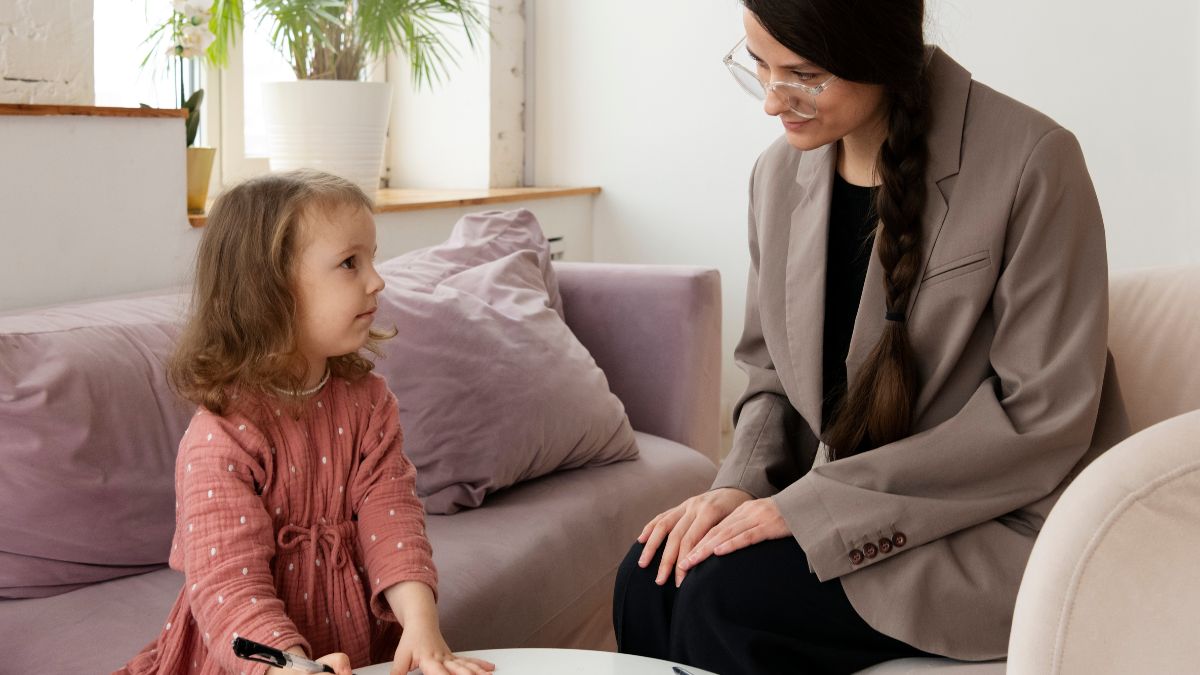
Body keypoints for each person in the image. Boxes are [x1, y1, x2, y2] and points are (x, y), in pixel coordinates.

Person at [613, 2, 1129, 674]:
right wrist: (738, 487)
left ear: (879, 52)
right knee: (647, 578)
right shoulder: (777, 176)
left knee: (721, 599)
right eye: (758, 64)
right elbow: (769, 375)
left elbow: (1042, 417)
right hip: (828, 498)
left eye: (805, 75)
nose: (773, 101)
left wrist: (811, 507)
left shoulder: (1032, 160)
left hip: (979, 523)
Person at [118, 170, 494, 675]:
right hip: (256, 658)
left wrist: (420, 623)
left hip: (356, 643)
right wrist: (288, 665)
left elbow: (393, 522)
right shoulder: (223, 434)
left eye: (371, 258)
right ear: (271, 291)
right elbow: (228, 583)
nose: (376, 280)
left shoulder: (369, 404)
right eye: (348, 263)